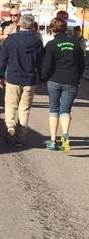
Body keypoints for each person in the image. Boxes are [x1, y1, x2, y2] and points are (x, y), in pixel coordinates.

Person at [0, 13, 43, 146]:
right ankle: (20, 139)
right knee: (25, 109)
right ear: (33, 26)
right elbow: (40, 62)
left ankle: (10, 126)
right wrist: (41, 77)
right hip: (30, 80)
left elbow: (3, 59)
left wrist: (0, 75)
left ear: (20, 24)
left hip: (13, 78)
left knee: (11, 105)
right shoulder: (37, 42)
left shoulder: (11, 40)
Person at [41, 17, 86, 152]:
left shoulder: (51, 44)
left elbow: (47, 65)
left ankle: (53, 141)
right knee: (65, 111)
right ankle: (65, 134)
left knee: (54, 110)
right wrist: (77, 78)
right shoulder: (75, 44)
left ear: (52, 29)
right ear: (66, 28)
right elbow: (82, 64)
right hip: (71, 80)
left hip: (54, 80)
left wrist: (43, 78)